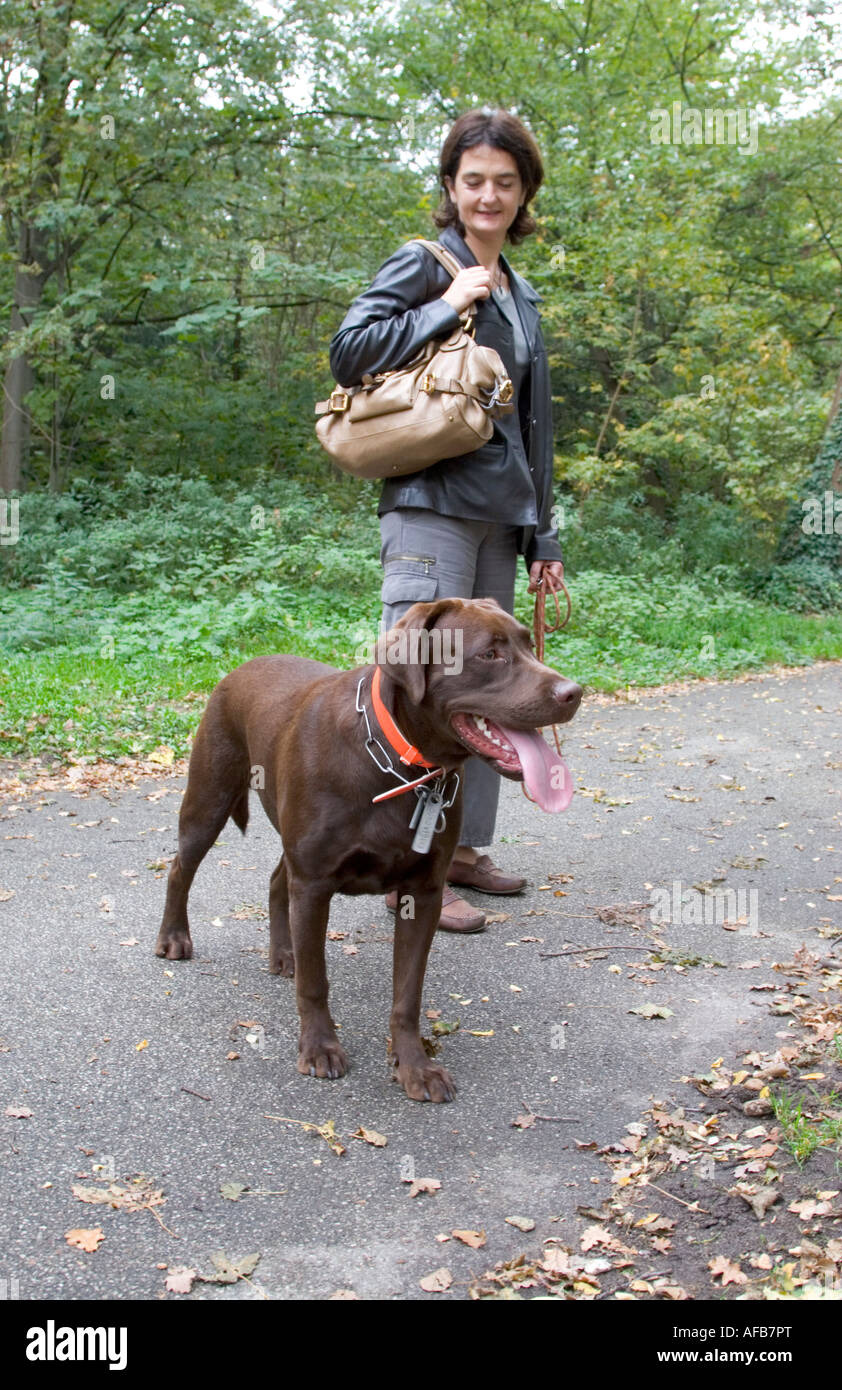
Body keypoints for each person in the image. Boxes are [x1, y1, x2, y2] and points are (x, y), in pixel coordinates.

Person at [329, 108, 567, 933]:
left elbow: (535, 428)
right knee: (417, 684)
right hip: (431, 507)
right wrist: (444, 304)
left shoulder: (524, 294)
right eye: (474, 181)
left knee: (494, 690)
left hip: (502, 518)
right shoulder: (428, 265)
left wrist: (546, 537)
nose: (489, 194)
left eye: (506, 181)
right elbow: (349, 351)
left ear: (525, 190)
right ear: (451, 187)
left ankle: (457, 853)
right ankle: (401, 867)